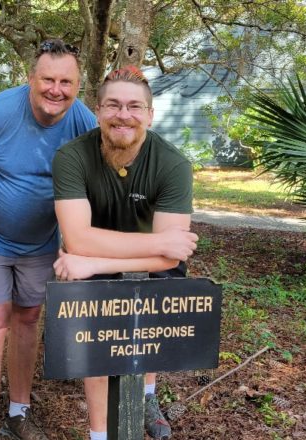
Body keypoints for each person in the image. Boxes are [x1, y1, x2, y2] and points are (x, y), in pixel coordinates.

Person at [0, 39, 97, 440]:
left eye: (66, 82)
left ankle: (20, 411)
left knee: (28, 318)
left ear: (77, 85)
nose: (56, 89)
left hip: (41, 242)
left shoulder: (83, 123)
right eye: (48, 79)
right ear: (30, 79)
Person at [52, 66, 199, 440]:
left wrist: (93, 261)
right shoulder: (72, 157)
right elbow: (77, 238)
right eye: (113, 105)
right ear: (98, 109)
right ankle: (99, 433)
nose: (124, 115)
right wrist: (160, 243)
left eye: (135, 106)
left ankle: (148, 397)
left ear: (150, 115)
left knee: (149, 334)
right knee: (99, 351)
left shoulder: (173, 164)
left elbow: (170, 259)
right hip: (98, 263)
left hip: (122, 265)